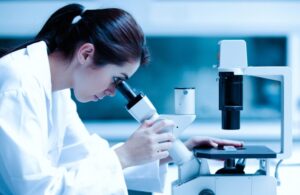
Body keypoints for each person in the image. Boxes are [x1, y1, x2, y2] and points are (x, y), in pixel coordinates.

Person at [0, 3, 243, 195]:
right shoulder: (19, 85)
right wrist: (125, 154)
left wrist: (174, 151)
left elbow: (85, 157)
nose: (113, 91)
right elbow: (35, 190)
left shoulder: (56, 90)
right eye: (117, 79)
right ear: (86, 54)